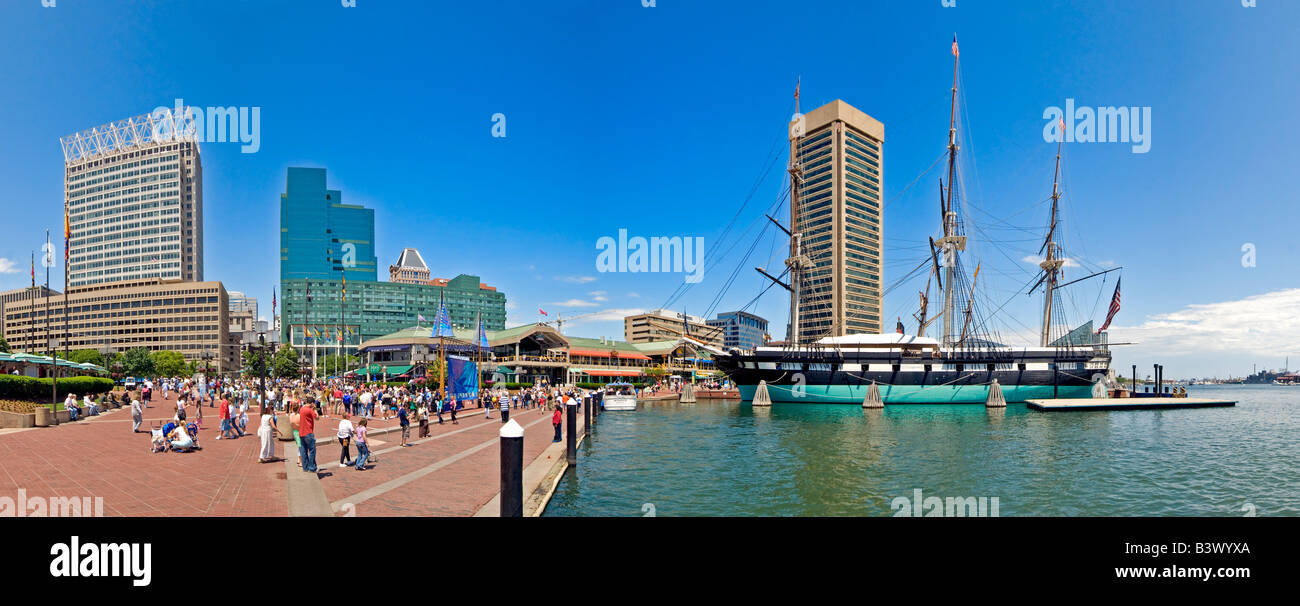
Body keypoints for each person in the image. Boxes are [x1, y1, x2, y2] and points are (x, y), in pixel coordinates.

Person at [299, 400, 318, 472]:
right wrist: (315, 410)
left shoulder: (302, 408)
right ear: (312, 403)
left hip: (301, 432)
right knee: (312, 450)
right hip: (308, 432)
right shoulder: (309, 410)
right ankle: (312, 467)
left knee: (303, 451)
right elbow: (317, 418)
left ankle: (305, 467)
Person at [289, 403, 303, 468]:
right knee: (301, 446)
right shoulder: (299, 416)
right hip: (299, 432)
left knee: (299, 445)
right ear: (298, 408)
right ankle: (300, 461)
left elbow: (291, 424)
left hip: (294, 431)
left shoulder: (291, 415)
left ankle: (298, 459)